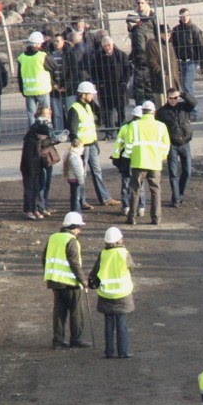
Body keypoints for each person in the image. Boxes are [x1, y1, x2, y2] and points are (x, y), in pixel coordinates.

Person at [67, 81, 119, 208]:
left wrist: (95, 143)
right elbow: (73, 132)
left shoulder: (88, 107)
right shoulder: (74, 109)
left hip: (91, 145)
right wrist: (78, 146)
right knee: (81, 174)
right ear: (83, 94)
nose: (92, 96)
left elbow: (90, 127)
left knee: (97, 171)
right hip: (82, 147)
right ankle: (82, 201)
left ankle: (104, 198)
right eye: (90, 94)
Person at [43, 211, 90, 349]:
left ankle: (58, 341)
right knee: (76, 313)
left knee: (59, 311)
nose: (80, 231)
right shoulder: (71, 240)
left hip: (54, 282)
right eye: (79, 227)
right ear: (73, 227)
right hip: (70, 283)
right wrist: (83, 280)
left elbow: (44, 257)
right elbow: (74, 263)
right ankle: (76, 339)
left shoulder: (53, 238)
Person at [87, 226, 136, 359]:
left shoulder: (103, 254)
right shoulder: (124, 253)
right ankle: (123, 352)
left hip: (106, 293)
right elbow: (131, 267)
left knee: (108, 323)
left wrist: (92, 283)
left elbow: (95, 272)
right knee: (121, 323)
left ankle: (109, 352)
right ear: (119, 240)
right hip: (122, 293)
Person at [124, 101, 170, 226]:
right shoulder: (161, 126)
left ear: (142, 111)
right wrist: (161, 157)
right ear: (153, 112)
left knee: (135, 190)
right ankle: (156, 218)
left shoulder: (134, 125)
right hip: (155, 163)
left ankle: (132, 217)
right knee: (155, 190)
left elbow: (128, 145)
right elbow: (166, 145)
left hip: (138, 162)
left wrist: (129, 156)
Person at [157, 87, 196, 206]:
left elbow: (193, 102)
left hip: (185, 143)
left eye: (175, 98)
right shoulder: (162, 112)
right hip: (171, 145)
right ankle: (176, 199)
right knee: (173, 173)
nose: (173, 100)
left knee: (187, 171)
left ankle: (180, 193)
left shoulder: (184, 106)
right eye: (171, 98)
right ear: (167, 98)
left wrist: (182, 94)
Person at [89, 36, 132, 137]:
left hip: (119, 87)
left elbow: (127, 70)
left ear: (112, 45)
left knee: (121, 111)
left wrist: (125, 83)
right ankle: (110, 132)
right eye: (105, 46)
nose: (107, 48)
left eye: (109, 45)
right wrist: (98, 83)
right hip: (105, 89)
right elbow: (94, 71)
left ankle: (122, 132)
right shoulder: (98, 57)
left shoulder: (121, 55)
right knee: (108, 112)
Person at [169, 7, 203, 118]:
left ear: (189, 16)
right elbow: (173, 47)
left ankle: (193, 112)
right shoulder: (176, 30)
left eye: (186, 15)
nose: (184, 18)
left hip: (191, 62)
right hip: (179, 62)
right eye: (182, 16)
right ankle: (188, 111)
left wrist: (202, 65)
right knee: (182, 87)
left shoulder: (194, 29)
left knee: (187, 86)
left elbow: (201, 48)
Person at [111, 106, 147, 218]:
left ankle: (127, 207)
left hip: (126, 161)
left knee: (127, 184)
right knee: (140, 185)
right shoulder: (143, 128)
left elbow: (118, 144)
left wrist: (116, 159)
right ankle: (140, 207)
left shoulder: (126, 127)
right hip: (139, 161)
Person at [17, 31, 54, 128]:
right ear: (38, 44)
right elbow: (53, 66)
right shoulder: (42, 55)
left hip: (28, 90)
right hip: (42, 89)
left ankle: (33, 134)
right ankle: (47, 132)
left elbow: (19, 76)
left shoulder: (21, 57)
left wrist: (22, 90)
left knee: (31, 114)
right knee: (45, 113)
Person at [127, 0, 158, 105]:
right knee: (139, 85)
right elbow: (130, 30)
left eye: (142, 3)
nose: (140, 5)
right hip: (137, 56)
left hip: (148, 55)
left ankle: (152, 110)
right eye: (138, 3)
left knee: (148, 84)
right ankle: (140, 109)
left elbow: (157, 33)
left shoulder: (152, 16)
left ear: (146, 3)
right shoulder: (133, 15)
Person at [21, 120, 51, 220]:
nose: (45, 138)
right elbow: (28, 157)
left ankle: (34, 209)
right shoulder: (30, 140)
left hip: (36, 168)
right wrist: (31, 170)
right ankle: (28, 210)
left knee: (36, 189)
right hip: (29, 169)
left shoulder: (37, 139)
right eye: (44, 136)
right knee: (29, 190)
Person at [147, 23, 180, 108]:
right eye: (167, 32)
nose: (169, 35)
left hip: (173, 81)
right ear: (160, 33)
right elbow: (152, 62)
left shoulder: (170, 44)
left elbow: (174, 62)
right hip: (161, 82)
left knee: (174, 106)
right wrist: (161, 72)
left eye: (170, 32)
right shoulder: (152, 44)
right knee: (162, 106)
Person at [45, 33, 71, 132]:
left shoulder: (68, 53)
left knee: (70, 112)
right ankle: (59, 132)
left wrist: (66, 85)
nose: (56, 43)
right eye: (54, 41)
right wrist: (53, 84)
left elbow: (73, 72)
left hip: (68, 89)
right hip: (54, 89)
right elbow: (47, 72)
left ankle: (71, 132)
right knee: (57, 113)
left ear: (63, 42)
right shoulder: (48, 54)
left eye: (58, 41)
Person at [64, 138, 86, 213]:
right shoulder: (75, 157)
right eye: (82, 146)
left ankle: (74, 211)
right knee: (76, 197)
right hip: (75, 179)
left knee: (73, 196)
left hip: (71, 178)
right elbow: (78, 170)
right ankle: (76, 212)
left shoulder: (69, 153)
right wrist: (81, 181)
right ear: (79, 147)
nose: (83, 148)